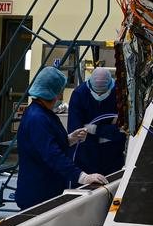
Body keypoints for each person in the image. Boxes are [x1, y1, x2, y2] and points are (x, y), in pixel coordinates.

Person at [15, 66, 105, 210]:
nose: (62, 95)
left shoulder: (44, 113)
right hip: (38, 193)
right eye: (61, 91)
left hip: (47, 187)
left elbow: (45, 143)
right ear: (53, 93)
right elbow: (52, 155)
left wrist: (69, 139)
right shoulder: (37, 118)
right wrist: (82, 177)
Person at [68, 66, 126, 178]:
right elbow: (76, 133)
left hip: (112, 155)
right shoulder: (79, 94)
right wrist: (107, 132)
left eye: (103, 92)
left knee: (112, 183)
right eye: (96, 92)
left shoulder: (120, 94)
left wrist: (94, 129)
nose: (99, 95)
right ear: (90, 84)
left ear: (110, 86)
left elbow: (123, 130)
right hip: (86, 155)